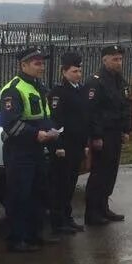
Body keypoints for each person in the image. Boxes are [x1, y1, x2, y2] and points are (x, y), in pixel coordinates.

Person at [0, 46, 60, 252]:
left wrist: (52, 131)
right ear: (23, 65)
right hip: (19, 151)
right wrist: (36, 134)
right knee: (20, 195)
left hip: (37, 150)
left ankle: (34, 235)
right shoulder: (13, 89)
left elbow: (44, 115)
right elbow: (11, 124)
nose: (41, 67)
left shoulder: (38, 87)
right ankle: (17, 239)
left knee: (38, 193)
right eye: (37, 63)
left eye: (42, 63)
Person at [85, 44, 132, 225]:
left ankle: (104, 207)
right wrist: (96, 136)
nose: (119, 62)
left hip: (115, 133)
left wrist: (126, 129)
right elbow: (92, 111)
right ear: (104, 60)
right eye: (115, 59)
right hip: (103, 134)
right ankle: (92, 212)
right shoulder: (96, 82)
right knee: (99, 172)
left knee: (111, 171)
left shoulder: (120, 81)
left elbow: (125, 106)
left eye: (120, 59)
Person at [48, 52, 90, 234]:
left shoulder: (79, 89)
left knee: (71, 183)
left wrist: (85, 143)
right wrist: (58, 146)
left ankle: (68, 217)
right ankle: (58, 221)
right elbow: (56, 121)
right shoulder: (58, 92)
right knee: (61, 185)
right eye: (74, 71)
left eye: (80, 70)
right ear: (64, 72)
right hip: (64, 145)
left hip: (77, 144)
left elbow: (83, 117)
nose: (78, 74)